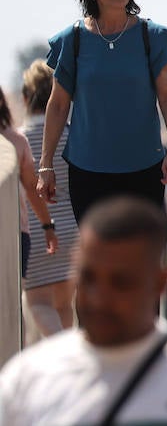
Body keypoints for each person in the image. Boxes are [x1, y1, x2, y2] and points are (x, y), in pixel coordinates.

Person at [0, 196, 167, 425]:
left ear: (160, 283)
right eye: (88, 278)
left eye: (121, 282)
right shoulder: (28, 378)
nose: (99, 297)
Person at [37, 0, 167, 224]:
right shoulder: (72, 40)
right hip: (87, 169)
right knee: (99, 258)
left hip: (144, 166)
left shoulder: (151, 36)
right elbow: (57, 105)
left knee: (140, 257)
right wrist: (45, 165)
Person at [19, 61, 76, 335]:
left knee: (38, 303)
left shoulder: (20, 139)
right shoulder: (70, 134)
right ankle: (71, 362)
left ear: (25, 97)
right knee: (65, 306)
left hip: (38, 228)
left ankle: (63, 356)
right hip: (74, 229)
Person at [1, 89, 58, 291]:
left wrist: (47, 226)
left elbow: (32, 189)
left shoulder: (16, 141)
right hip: (17, 234)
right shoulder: (16, 141)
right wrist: (47, 227)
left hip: (16, 234)